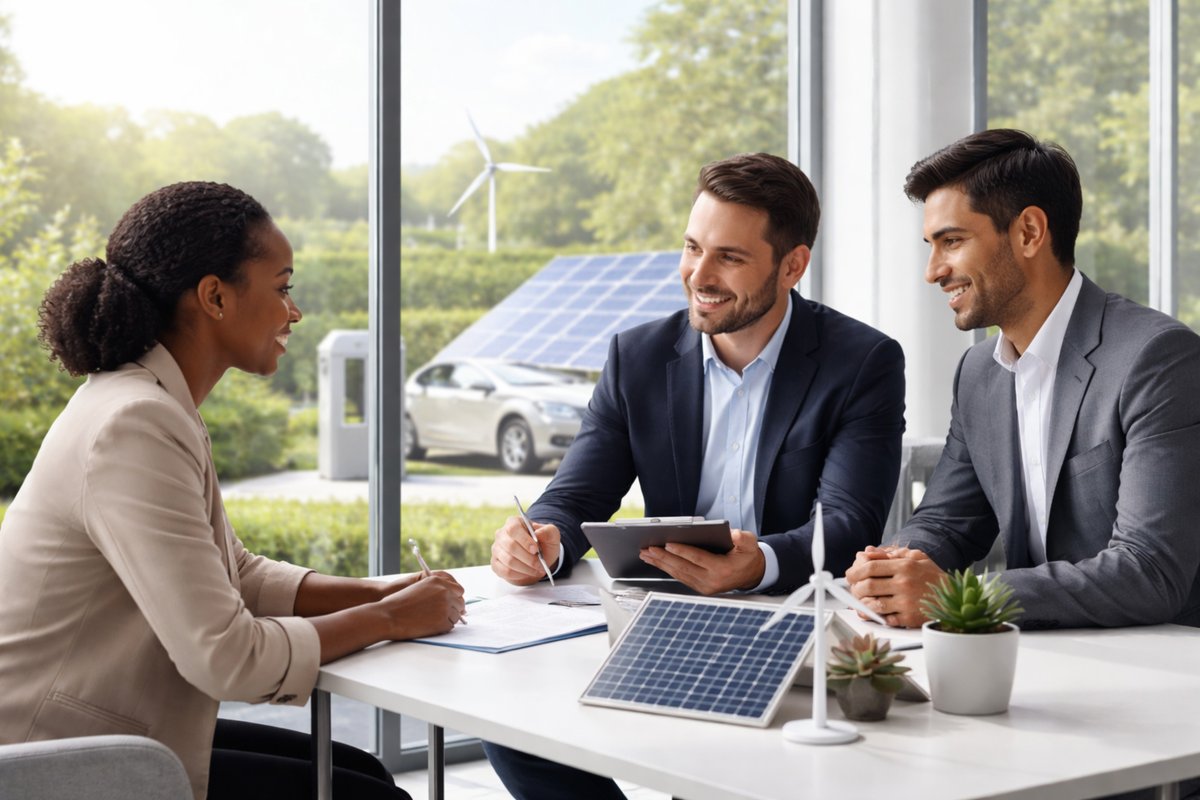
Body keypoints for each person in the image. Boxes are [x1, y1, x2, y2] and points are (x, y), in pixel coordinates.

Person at [0, 182, 467, 800]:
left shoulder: (149, 401)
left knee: (363, 774)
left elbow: (233, 574)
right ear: (215, 296)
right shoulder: (135, 421)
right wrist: (389, 619)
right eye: (282, 288)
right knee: (370, 796)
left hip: (100, 726)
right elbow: (226, 657)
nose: (293, 313)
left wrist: (376, 590)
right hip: (51, 758)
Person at [486, 152, 906, 798]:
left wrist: (757, 562)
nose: (698, 275)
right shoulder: (638, 357)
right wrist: (542, 534)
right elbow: (574, 495)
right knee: (511, 725)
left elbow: (848, 525)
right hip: (665, 623)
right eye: (691, 247)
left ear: (792, 265)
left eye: (729, 258)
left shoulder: (861, 363)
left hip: (788, 628)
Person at [847, 129, 1200, 632]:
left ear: (1030, 232)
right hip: (1035, 657)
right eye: (931, 245)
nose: (932, 271)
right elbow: (947, 521)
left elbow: (1149, 571)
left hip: (1159, 666)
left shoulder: (1157, 359)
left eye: (952, 241)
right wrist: (891, 570)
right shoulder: (978, 373)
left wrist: (957, 596)